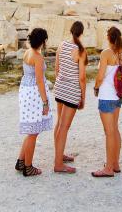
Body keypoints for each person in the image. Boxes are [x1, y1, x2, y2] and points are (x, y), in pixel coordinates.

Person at [16, 28, 53, 177]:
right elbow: (39, 82)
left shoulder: (27, 52)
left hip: (25, 91)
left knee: (31, 130)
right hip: (34, 95)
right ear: (43, 41)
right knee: (33, 133)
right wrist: (45, 102)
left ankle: (21, 161)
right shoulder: (37, 57)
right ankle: (28, 167)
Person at [92, 26, 122, 177]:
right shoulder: (121, 55)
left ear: (108, 37)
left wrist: (95, 87)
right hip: (118, 96)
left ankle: (108, 169)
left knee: (109, 132)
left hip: (106, 95)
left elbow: (100, 76)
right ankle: (115, 163)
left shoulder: (106, 53)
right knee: (115, 129)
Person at [53, 21, 87, 173]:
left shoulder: (61, 45)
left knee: (59, 124)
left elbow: (57, 68)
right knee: (64, 128)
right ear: (81, 33)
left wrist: (61, 82)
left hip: (60, 88)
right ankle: (58, 164)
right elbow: (82, 77)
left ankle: (59, 156)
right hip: (72, 91)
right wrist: (83, 97)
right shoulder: (80, 50)